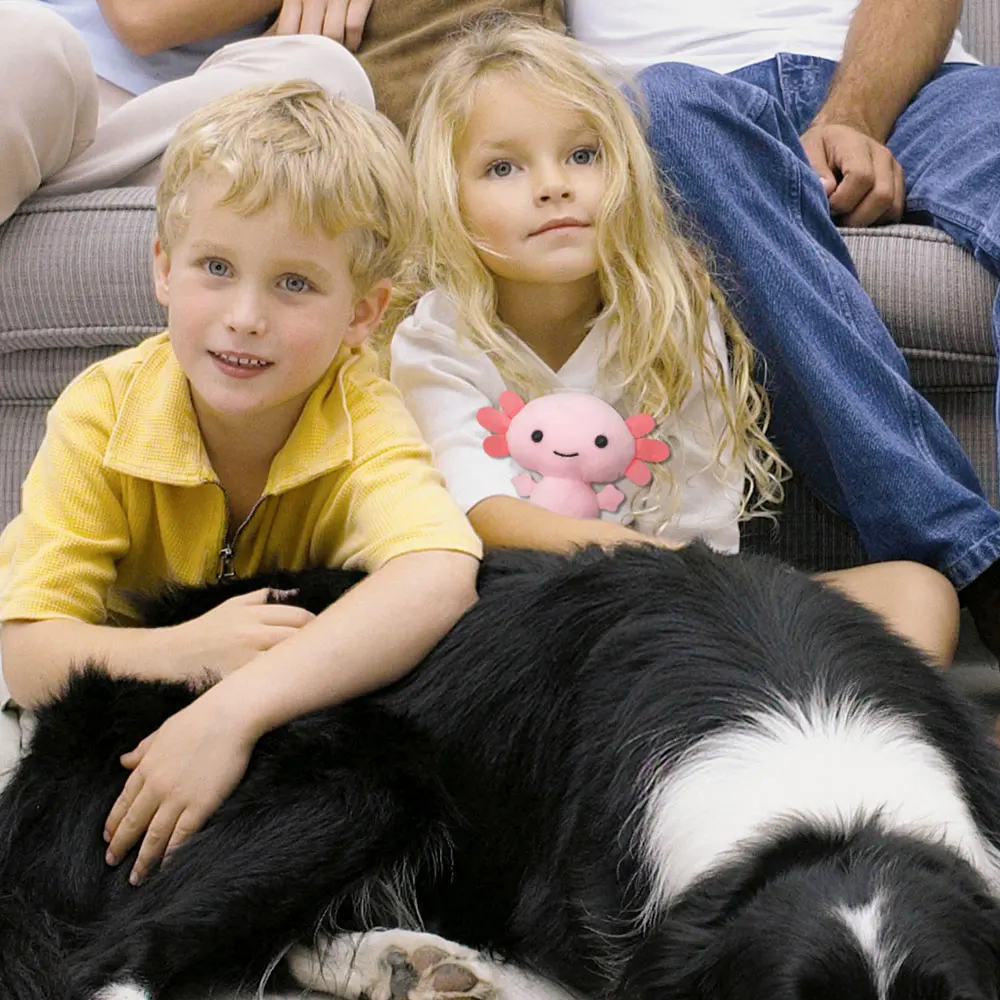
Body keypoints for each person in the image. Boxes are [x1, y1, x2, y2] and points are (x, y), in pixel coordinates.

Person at [0, 80, 482, 886]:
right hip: (94, 698)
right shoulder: (101, 411)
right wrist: (187, 653)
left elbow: (438, 574)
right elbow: (27, 653)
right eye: (216, 267)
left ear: (363, 314)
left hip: (260, 715)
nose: (245, 316)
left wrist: (233, 708)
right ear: (164, 268)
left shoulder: (359, 411)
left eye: (294, 284)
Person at [387, 19, 959, 669]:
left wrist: (708, 597)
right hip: (525, 619)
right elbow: (483, 515)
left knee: (918, 593)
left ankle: (799, 718)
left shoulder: (672, 314)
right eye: (502, 167)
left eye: (583, 155)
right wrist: (674, 575)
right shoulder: (437, 336)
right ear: (448, 200)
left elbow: (700, 528)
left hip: (677, 604)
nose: (553, 185)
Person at [564, 0, 1000, 652]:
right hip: (678, 106)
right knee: (662, 109)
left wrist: (852, 117)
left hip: (918, 89)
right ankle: (978, 563)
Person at [0, 0, 376, 225]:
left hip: (174, 129)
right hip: (38, 86)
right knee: (31, 45)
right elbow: (141, 15)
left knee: (329, 81)